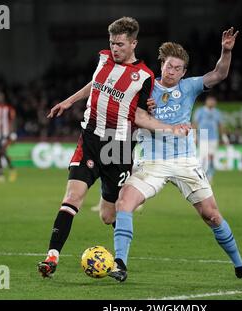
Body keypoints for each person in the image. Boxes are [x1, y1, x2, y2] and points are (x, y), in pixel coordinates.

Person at [109, 28, 242, 282]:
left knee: (212, 215)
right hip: (151, 161)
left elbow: (219, 74)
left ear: (184, 72)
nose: (171, 71)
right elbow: (127, 120)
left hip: (185, 161)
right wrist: (142, 108)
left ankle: (240, 267)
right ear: (161, 65)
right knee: (124, 203)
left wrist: (225, 51)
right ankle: (119, 264)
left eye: (177, 68)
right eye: (168, 66)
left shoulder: (190, 87)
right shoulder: (143, 87)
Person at [37, 17, 190, 278]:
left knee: (109, 215)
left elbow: (143, 113)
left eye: (120, 44)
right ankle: (52, 258)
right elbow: (95, 83)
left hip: (117, 148)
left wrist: (168, 127)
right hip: (90, 139)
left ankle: (119, 259)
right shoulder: (103, 58)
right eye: (112, 43)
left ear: (133, 43)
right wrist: (69, 101)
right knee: (72, 198)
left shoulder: (144, 77)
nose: (115, 48)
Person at [192, 94, 227, 183]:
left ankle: (210, 175)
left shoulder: (217, 112)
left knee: (211, 157)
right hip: (203, 135)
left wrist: (224, 137)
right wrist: (195, 136)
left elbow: (220, 125)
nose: (211, 102)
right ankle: (201, 175)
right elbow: (195, 124)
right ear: (206, 101)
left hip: (214, 137)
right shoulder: (200, 111)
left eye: (213, 101)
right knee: (203, 157)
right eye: (210, 100)